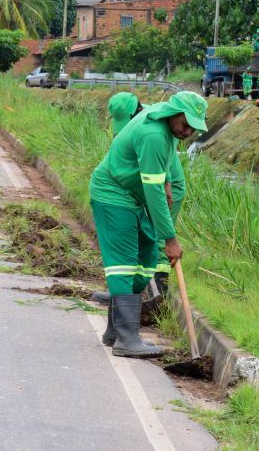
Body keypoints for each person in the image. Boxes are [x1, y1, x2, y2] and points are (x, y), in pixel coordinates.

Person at [89, 91, 207, 359]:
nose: (188, 132)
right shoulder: (154, 134)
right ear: (173, 114)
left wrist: (164, 182)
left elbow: (163, 180)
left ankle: (115, 332)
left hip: (132, 197)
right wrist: (170, 238)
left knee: (143, 265)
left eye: (193, 128)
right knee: (123, 264)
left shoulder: (165, 128)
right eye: (185, 125)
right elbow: (154, 193)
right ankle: (127, 339)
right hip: (113, 194)